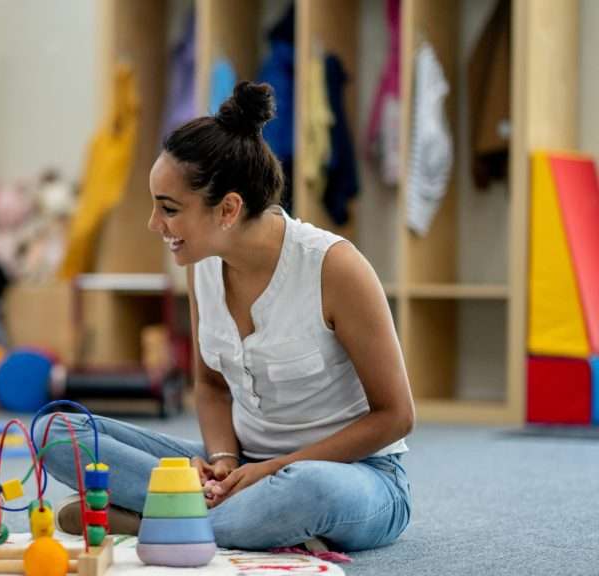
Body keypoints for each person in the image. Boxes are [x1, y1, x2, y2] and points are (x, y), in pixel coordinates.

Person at [38, 82, 413, 552]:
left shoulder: (335, 268)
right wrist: (223, 460)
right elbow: (212, 386)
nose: (155, 224)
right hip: (242, 468)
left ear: (229, 209)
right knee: (56, 434)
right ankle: (220, 514)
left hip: (352, 477)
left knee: (307, 491)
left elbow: (396, 416)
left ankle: (144, 521)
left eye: (169, 209)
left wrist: (270, 472)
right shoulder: (203, 268)